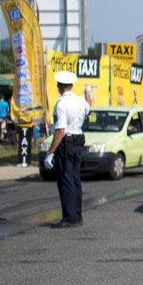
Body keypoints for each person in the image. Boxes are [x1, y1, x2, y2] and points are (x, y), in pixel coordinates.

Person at [43, 71, 90, 228]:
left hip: (67, 144)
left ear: (60, 87)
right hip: (78, 142)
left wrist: (49, 153)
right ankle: (77, 215)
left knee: (66, 180)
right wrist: (89, 92)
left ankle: (69, 217)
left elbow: (60, 130)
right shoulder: (81, 101)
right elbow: (89, 108)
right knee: (75, 180)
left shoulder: (61, 104)